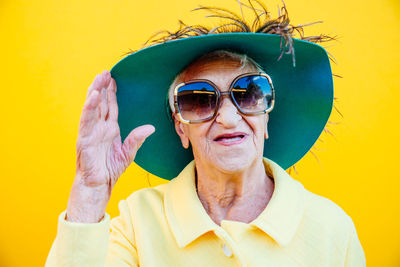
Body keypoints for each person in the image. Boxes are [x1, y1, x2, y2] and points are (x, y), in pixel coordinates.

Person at [46, 2, 366, 266]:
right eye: (198, 100)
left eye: (249, 92)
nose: (228, 118)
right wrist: (89, 192)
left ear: (267, 117)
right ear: (179, 126)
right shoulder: (138, 222)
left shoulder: (330, 229)